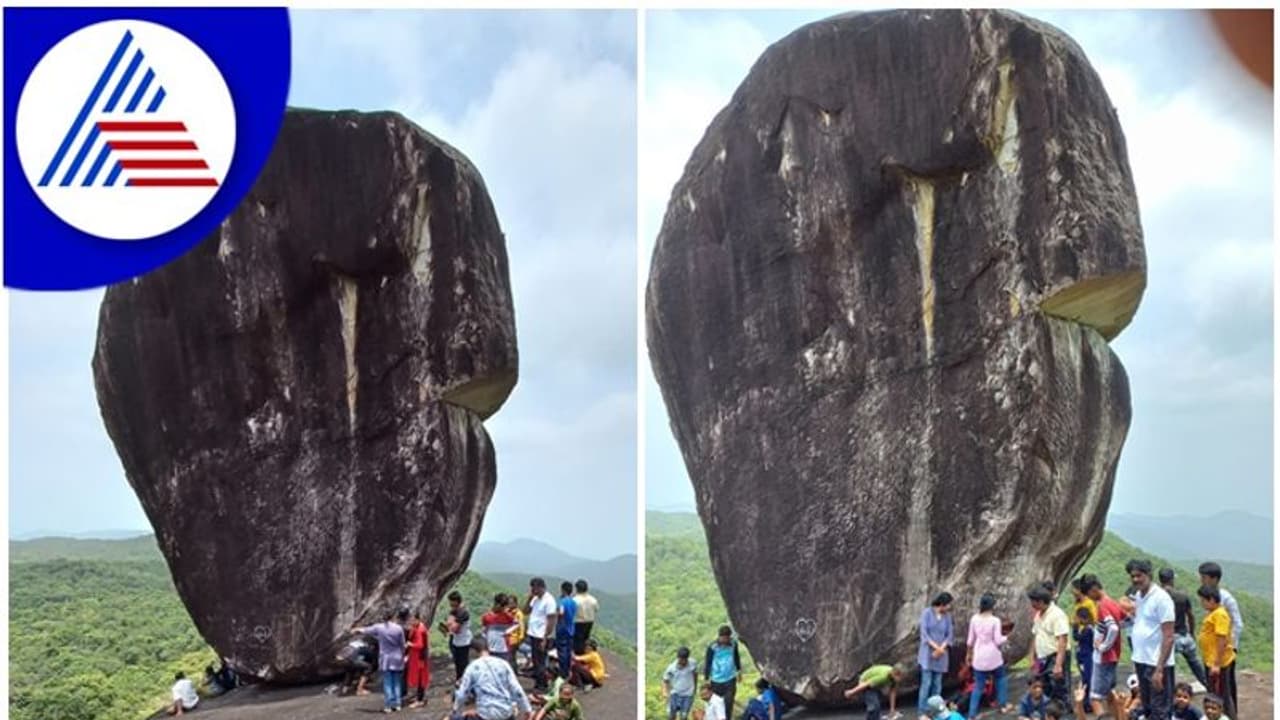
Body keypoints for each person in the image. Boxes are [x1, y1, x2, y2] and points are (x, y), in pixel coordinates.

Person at [1128, 559, 1176, 720]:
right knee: (1148, 707)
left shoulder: (1161, 598)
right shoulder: (1139, 596)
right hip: (1142, 662)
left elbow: (1169, 636)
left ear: (1149, 574)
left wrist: (1159, 669)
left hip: (1156, 664)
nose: (1135, 579)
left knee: (1160, 710)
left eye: (1139, 575)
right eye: (1132, 576)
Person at [452, 636, 533, 720]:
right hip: (506, 712)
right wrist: (527, 709)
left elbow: (462, 693)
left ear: (472, 651)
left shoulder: (472, 667)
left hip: (486, 714)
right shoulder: (503, 664)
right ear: (488, 648)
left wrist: (456, 711)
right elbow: (517, 689)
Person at [1196, 563, 1240, 713]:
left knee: (1222, 695)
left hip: (1220, 659)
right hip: (1213, 658)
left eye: (1204, 577)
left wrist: (1219, 659)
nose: (1201, 580)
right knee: (1216, 693)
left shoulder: (1222, 609)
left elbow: (1224, 636)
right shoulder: (1213, 610)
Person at [1082, 573, 1126, 718]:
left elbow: (1113, 628)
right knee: (1109, 693)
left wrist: (1103, 646)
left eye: (1088, 593)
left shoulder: (1102, 605)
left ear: (1094, 589)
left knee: (1095, 698)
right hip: (1113, 656)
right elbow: (1126, 621)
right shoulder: (1113, 602)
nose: (1089, 597)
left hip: (1104, 658)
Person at [353, 606, 409, 714]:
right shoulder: (398, 628)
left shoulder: (379, 628)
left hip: (386, 658)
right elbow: (402, 644)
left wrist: (356, 629)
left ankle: (388, 705)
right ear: (392, 616)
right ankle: (397, 704)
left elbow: (366, 630)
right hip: (397, 657)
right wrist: (403, 655)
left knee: (388, 682)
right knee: (397, 681)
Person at [965, 593, 1013, 718]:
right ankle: (1002, 705)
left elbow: (970, 640)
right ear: (992, 606)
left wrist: (969, 654)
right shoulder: (995, 620)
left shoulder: (974, 619)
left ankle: (972, 714)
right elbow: (997, 640)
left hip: (979, 658)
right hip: (993, 657)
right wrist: (1006, 637)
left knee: (978, 686)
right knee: (1001, 679)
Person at [1159, 569, 1208, 688]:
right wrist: (1191, 633)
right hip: (1184, 635)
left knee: (1168, 668)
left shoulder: (1158, 598)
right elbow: (1190, 616)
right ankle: (1209, 686)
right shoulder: (1182, 596)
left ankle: (1169, 694)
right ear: (1172, 580)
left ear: (1160, 580)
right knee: (1195, 664)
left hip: (1169, 638)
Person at [1027, 586, 1071, 706]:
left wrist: (1058, 665)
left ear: (1041, 601)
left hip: (1056, 656)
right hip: (1043, 657)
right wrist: (1032, 657)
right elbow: (1035, 635)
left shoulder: (1057, 615)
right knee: (1045, 688)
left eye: (1033, 602)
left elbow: (1062, 640)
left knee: (1060, 689)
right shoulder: (1039, 614)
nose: (1032, 605)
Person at [917, 592, 954, 713]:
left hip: (941, 655)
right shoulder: (927, 613)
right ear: (942, 604)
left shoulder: (947, 616)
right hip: (928, 653)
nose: (949, 607)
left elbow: (949, 634)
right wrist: (935, 647)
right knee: (926, 683)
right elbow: (924, 633)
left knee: (937, 684)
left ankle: (935, 710)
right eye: (948, 604)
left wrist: (941, 648)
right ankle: (922, 710)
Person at [527, 578, 559, 693]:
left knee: (540, 661)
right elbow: (525, 611)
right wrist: (529, 599)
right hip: (533, 634)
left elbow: (551, 620)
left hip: (542, 636)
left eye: (534, 588)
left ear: (541, 587)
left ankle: (543, 685)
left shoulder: (549, 600)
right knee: (536, 660)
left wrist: (545, 638)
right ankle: (538, 682)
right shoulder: (535, 599)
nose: (532, 590)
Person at [703, 625, 743, 717]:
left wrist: (739, 671)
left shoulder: (733, 643)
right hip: (716, 680)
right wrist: (706, 679)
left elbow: (736, 657)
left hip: (730, 678)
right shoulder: (713, 647)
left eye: (727, 638)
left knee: (729, 703)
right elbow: (708, 662)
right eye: (723, 638)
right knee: (717, 703)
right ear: (719, 637)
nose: (725, 640)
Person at [440, 591, 473, 686]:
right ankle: (459, 680)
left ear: (456, 601)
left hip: (463, 642)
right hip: (456, 641)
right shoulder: (454, 611)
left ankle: (465, 682)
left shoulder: (463, 612)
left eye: (451, 602)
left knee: (463, 663)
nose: (450, 604)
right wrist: (449, 626)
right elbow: (448, 623)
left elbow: (455, 629)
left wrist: (449, 627)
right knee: (458, 663)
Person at [662, 646, 699, 720]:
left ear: (687, 658)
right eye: (681, 659)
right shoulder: (671, 668)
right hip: (675, 694)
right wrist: (665, 692)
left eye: (684, 660)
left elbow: (695, 675)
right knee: (672, 715)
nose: (682, 661)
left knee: (684, 716)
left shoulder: (693, 663)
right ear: (678, 657)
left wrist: (694, 688)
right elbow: (665, 680)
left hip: (688, 694)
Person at [406, 609, 431, 709]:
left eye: (412, 620)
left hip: (420, 657)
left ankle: (420, 700)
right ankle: (419, 697)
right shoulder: (419, 627)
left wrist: (410, 644)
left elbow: (420, 645)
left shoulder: (420, 630)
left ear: (417, 619)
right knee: (420, 677)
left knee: (420, 678)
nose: (411, 622)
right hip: (420, 656)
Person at [483, 593, 517, 665]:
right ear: (496, 603)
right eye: (501, 606)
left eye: (504, 606)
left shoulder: (508, 617)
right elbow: (485, 629)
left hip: (503, 649)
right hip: (490, 647)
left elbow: (516, 624)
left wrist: (508, 631)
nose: (502, 608)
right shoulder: (487, 617)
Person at [556, 582, 578, 678]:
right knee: (569, 650)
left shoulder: (562, 601)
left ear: (563, 590)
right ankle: (568, 670)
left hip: (562, 628)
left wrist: (558, 619)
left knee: (562, 651)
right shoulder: (573, 602)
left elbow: (560, 613)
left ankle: (563, 672)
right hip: (571, 628)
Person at [572, 579, 599, 654]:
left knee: (577, 641)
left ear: (577, 588)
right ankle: (584, 654)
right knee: (585, 639)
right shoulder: (593, 599)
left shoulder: (575, 600)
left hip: (578, 622)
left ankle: (579, 656)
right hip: (590, 622)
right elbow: (596, 609)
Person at [506, 593, 527, 672]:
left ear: (515, 603)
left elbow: (522, 626)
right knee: (510, 656)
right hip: (507, 638)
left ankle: (513, 671)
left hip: (514, 638)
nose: (510, 604)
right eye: (509, 603)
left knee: (511, 656)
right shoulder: (507, 612)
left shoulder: (518, 613)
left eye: (511, 603)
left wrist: (521, 637)